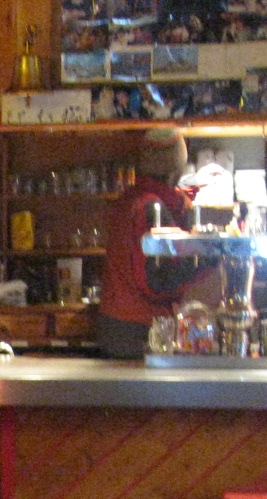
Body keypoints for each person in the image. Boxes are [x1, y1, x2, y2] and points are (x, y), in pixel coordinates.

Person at [96, 125, 212, 359]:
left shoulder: (129, 199)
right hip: (139, 330)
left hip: (117, 323)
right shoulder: (151, 208)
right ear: (177, 167)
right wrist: (207, 261)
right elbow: (156, 281)